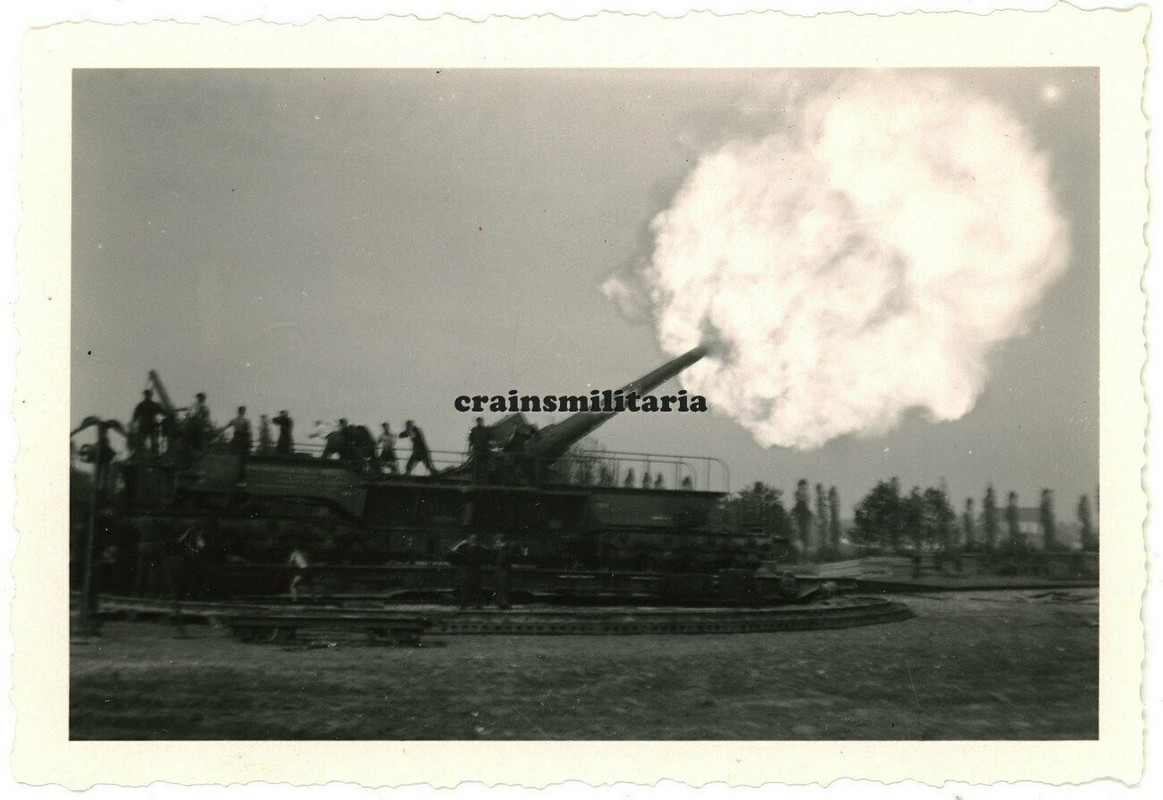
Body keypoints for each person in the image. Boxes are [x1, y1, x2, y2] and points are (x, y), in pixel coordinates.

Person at [449, 533, 486, 609]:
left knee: (476, 588)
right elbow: (453, 551)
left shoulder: (479, 547)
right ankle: (465, 605)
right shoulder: (464, 546)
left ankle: (477, 604)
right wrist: (461, 543)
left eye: (475, 538)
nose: (473, 540)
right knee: (466, 587)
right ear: (469, 539)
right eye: (472, 538)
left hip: (475, 569)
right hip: (467, 569)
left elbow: (486, 551)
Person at [131, 389, 162, 458]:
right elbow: (162, 411)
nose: (148, 396)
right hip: (148, 427)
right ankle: (152, 456)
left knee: (148, 443)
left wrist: (132, 423)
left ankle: (150, 456)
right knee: (149, 443)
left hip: (146, 427)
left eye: (148, 395)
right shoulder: (152, 405)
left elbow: (135, 416)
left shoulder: (142, 405)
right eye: (147, 395)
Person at [492, 533, 515, 610]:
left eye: (498, 540)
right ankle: (500, 602)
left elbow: (508, 557)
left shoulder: (507, 548)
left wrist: (501, 549)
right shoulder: (496, 548)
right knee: (499, 586)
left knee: (504, 586)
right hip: (498, 568)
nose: (496, 542)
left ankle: (504, 602)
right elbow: (492, 557)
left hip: (504, 569)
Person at [468, 417, 492, 483]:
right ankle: (485, 481)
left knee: (476, 466)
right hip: (483, 450)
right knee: (484, 466)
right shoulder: (486, 430)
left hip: (477, 451)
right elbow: (490, 440)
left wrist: (469, 450)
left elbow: (470, 441)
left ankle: (475, 480)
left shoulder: (473, 430)